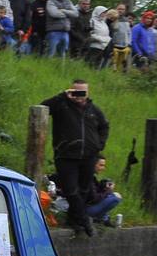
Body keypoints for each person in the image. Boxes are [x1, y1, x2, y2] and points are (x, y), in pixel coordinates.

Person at [40, 79, 109, 237]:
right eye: (75, 92)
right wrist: (62, 96)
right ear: (70, 91)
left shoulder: (94, 110)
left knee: (84, 189)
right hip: (66, 155)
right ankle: (85, 220)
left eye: (82, 92)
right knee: (71, 189)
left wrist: (99, 145)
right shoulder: (62, 105)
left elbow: (104, 126)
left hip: (89, 156)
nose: (79, 96)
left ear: (87, 92)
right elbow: (43, 107)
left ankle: (74, 220)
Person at [82, 157, 121, 227]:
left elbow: (96, 192)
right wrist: (108, 190)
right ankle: (101, 218)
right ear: (93, 164)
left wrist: (104, 186)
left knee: (110, 196)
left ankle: (103, 219)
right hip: (85, 210)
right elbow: (94, 199)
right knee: (116, 197)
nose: (103, 168)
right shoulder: (88, 178)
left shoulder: (89, 176)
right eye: (101, 165)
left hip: (84, 207)